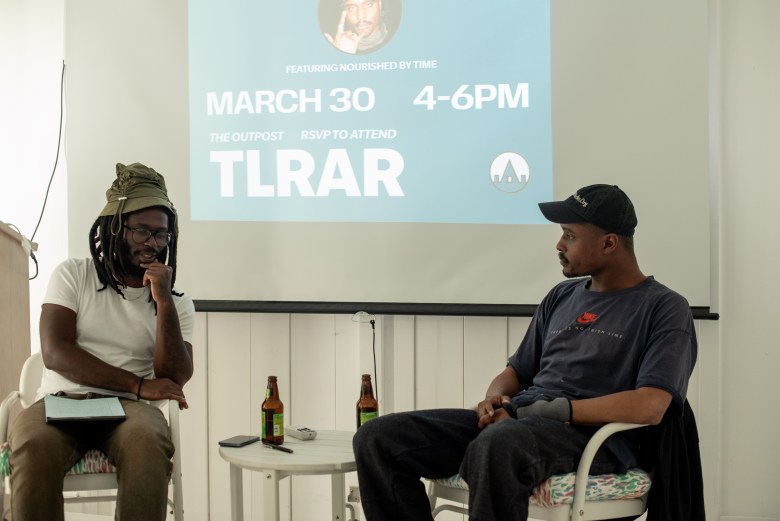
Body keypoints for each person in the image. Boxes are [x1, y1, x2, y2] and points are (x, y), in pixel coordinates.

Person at [352, 184, 699, 520]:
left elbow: (651, 406)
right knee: (377, 438)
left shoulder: (664, 307)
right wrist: (493, 399)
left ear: (609, 243)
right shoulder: (561, 296)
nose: (559, 244)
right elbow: (516, 373)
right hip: (521, 422)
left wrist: (551, 411)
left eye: (570, 235)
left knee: (499, 444)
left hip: (593, 439)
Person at [8, 162, 195, 521]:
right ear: (114, 228)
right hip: (63, 402)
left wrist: (164, 301)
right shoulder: (73, 274)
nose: (152, 244)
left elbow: (174, 377)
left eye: (161, 234)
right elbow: (55, 352)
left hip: (130, 411)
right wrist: (139, 385)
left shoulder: (177, 301)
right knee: (32, 443)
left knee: (148, 443)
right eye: (141, 231)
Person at [323, 0, 395, 55]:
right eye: (352, 8)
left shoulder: (399, 40)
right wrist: (342, 55)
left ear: (379, 5)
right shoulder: (337, 45)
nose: (360, 16)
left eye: (368, 4)